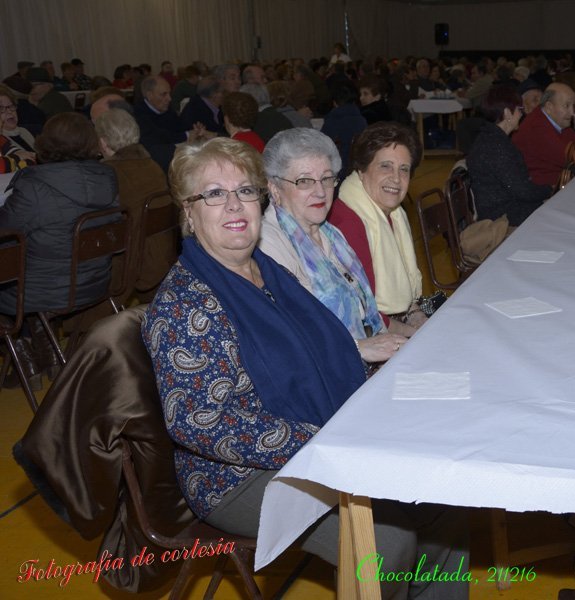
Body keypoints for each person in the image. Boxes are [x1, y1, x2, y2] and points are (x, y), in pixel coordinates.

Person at [143, 137, 467, 600]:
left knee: (442, 501)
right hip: (234, 475)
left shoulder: (268, 271)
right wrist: (319, 442)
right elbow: (199, 422)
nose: (234, 205)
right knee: (386, 546)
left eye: (245, 191)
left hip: (319, 432)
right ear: (188, 212)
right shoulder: (184, 305)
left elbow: (324, 348)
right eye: (213, 193)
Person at [259, 127, 408, 367]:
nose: (320, 192)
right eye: (304, 181)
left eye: (327, 179)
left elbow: (366, 315)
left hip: (368, 359)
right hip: (329, 373)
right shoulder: (268, 245)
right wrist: (358, 348)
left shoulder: (330, 233)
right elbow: (286, 340)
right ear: (275, 188)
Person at [0, 112, 119, 384]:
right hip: (94, 280)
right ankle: (49, 352)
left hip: (44, 290)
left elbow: (5, 229)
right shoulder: (107, 176)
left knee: (12, 268)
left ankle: (23, 359)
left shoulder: (34, 185)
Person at [329, 122, 426, 338]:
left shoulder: (393, 215)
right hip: (364, 336)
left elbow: (405, 289)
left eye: (404, 169)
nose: (396, 178)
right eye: (385, 166)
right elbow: (364, 314)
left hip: (394, 319)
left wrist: (416, 314)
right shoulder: (347, 223)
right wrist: (415, 334)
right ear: (361, 170)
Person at [94, 108, 175, 302]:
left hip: (126, 267)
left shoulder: (107, 175)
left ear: (103, 142)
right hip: (160, 258)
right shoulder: (153, 166)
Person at [467, 85, 552, 226]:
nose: (521, 114)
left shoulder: (491, 138)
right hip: (502, 217)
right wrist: (550, 190)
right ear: (507, 113)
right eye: (519, 110)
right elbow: (522, 191)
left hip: (506, 208)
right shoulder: (495, 146)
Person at [0, 84, 35, 159]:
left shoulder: (24, 131)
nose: (9, 111)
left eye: (11, 106)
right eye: (1, 108)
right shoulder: (1, 140)